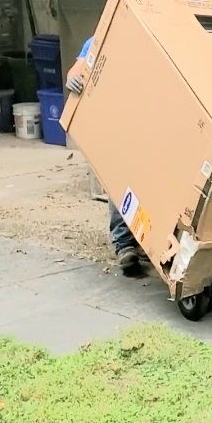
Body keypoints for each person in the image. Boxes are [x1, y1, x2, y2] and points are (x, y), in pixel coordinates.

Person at [65, 36, 147, 276]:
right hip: (114, 120)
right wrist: (73, 78)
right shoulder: (101, 37)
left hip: (143, 121)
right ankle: (124, 244)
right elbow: (79, 66)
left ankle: (145, 239)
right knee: (119, 180)